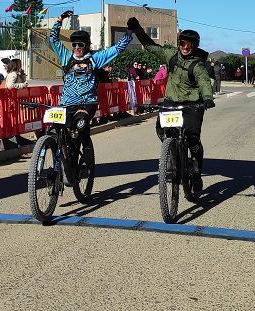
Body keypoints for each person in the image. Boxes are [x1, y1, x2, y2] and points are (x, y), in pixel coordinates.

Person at [126, 18, 215, 185]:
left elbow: (203, 82)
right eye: (183, 44)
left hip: (193, 105)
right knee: (162, 129)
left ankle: (196, 171)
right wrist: (137, 29)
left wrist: (208, 98)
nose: (185, 48)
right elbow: (152, 46)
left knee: (193, 139)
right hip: (172, 102)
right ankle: (173, 151)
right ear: (179, 43)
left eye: (189, 45)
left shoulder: (197, 65)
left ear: (194, 47)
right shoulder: (171, 56)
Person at [48, 10, 133, 140]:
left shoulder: (95, 59)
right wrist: (60, 19)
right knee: (58, 129)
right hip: (67, 103)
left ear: (86, 46)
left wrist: (129, 33)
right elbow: (53, 39)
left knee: (81, 128)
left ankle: (86, 156)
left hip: (87, 103)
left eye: (80, 45)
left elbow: (116, 49)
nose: (76, 48)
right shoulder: (66, 57)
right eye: (74, 45)